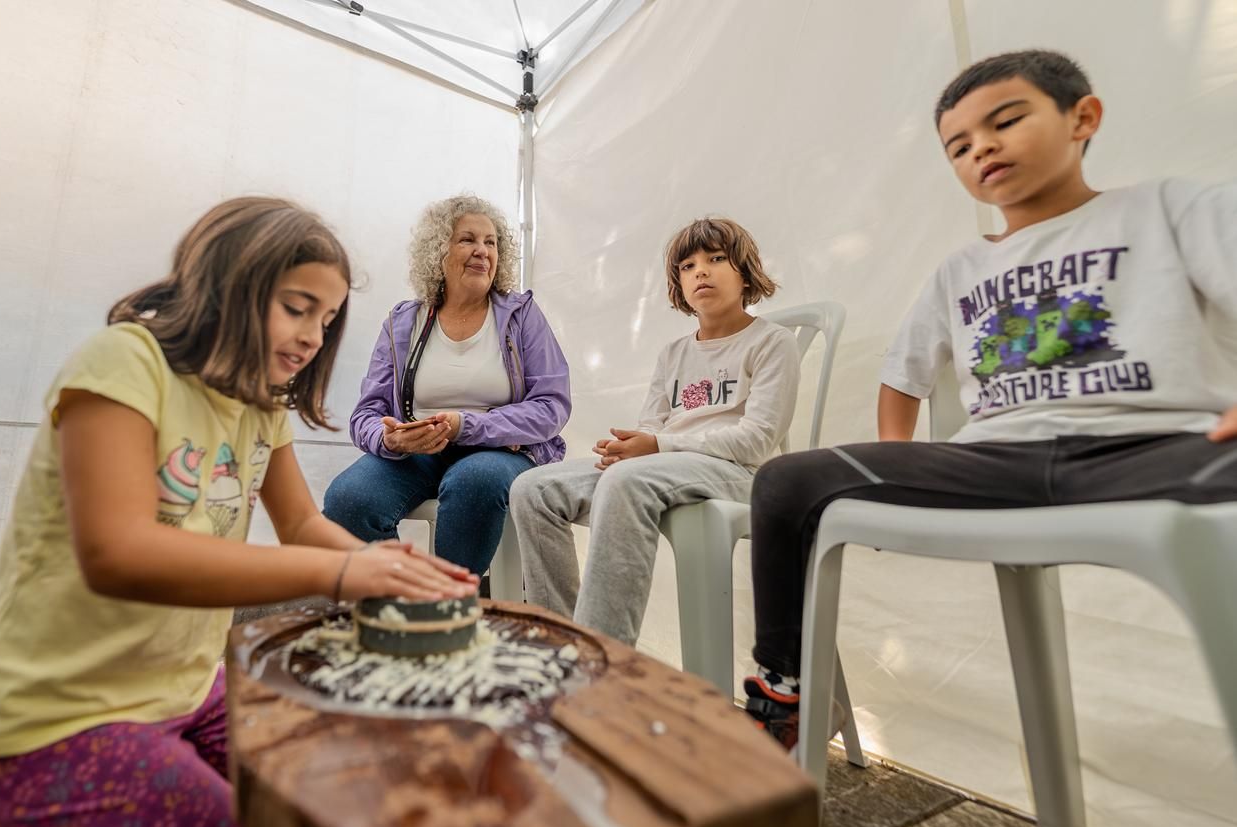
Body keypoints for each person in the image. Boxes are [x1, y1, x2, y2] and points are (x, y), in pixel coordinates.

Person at [0, 197, 476, 827]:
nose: (313, 335)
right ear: (228, 282)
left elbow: (303, 521)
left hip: (188, 690)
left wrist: (390, 563)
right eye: (296, 306)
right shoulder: (125, 361)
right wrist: (343, 573)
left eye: (327, 319)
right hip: (47, 720)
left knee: (329, 799)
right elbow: (118, 552)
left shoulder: (261, 403)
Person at [744, 49, 1237, 749]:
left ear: (1082, 118)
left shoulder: (1167, 207)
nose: (984, 149)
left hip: (1152, 449)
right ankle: (785, 695)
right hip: (997, 459)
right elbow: (903, 373)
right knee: (787, 479)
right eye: (960, 146)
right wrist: (898, 454)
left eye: (1006, 121)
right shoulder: (962, 266)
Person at [510, 217, 801, 646]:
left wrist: (657, 446)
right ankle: (561, 648)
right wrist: (629, 446)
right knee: (532, 488)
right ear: (678, 284)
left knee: (628, 482)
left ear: (745, 272)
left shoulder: (772, 343)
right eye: (687, 266)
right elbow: (652, 425)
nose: (701, 270)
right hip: (664, 467)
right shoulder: (674, 353)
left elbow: (756, 440)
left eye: (717, 258)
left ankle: (603, 663)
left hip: (738, 473)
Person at [323, 195, 571, 591]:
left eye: (491, 243)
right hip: (418, 453)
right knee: (349, 499)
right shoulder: (402, 322)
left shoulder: (520, 315)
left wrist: (465, 426)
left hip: (499, 451)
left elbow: (551, 407)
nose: (482, 251)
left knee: (475, 481)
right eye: (467, 240)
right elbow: (365, 415)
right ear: (439, 250)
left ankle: (448, 605)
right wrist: (389, 438)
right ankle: (403, 602)